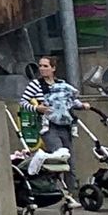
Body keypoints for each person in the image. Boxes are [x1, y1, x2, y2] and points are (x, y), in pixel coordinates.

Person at [20, 54, 82, 192]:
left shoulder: (62, 84)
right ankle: (57, 188)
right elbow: (23, 102)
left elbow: (70, 100)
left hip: (65, 125)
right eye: (40, 66)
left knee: (70, 161)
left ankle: (71, 192)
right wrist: (37, 108)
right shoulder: (35, 85)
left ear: (53, 68)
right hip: (48, 126)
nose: (42, 69)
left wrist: (82, 105)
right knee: (59, 156)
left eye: (45, 66)